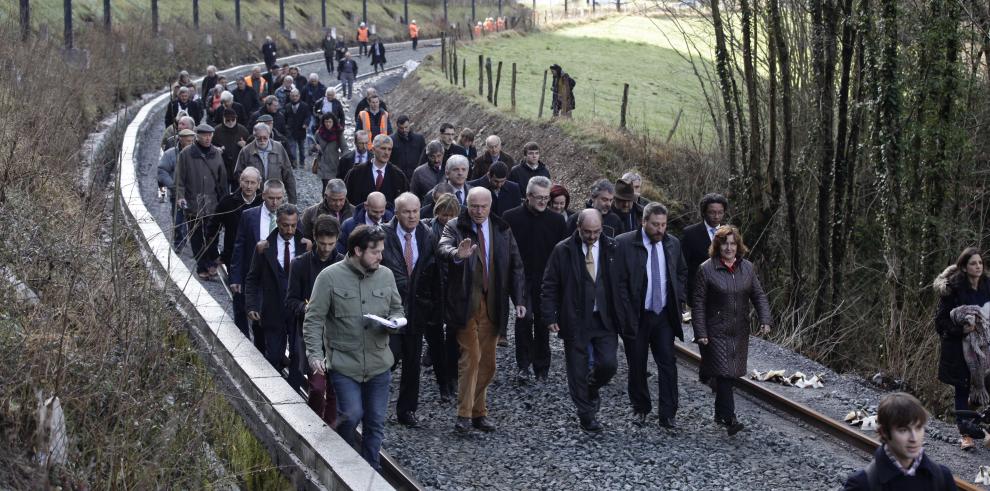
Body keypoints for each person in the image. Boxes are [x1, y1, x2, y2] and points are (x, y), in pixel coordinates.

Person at [303, 225, 404, 470]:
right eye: (375, 252)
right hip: (344, 363)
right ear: (357, 250)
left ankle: (371, 469)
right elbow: (314, 318)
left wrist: (395, 322)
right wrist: (315, 354)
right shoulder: (329, 277)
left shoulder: (386, 276)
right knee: (350, 414)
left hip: (379, 363)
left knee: (376, 421)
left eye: (381, 251)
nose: (381, 257)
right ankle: (345, 464)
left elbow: (397, 309)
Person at [437, 188, 527, 433]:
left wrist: (519, 299)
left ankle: (478, 411)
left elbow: (516, 265)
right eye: (473, 206)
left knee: (488, 363)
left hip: (493, 302)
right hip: (465, 303)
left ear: (490, 206)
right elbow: (443, 248)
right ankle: (464, 415)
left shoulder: (502, 228)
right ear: (467, 205)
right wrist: (457, 253)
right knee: (472, 358)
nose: (477, 211)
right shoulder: (455, 226)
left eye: (482, 206)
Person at [542, 209, 624, 432]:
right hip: (575, 319)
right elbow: (550, 285)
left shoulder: (612, 248)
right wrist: (549, 316)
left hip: (604, 318)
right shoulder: (563, 250)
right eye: (587, 232)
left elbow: (621, 283)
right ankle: (587, 415)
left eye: (596, 231)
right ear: (578, 227)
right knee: (577, 369)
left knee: (609, 364)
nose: (592, 236)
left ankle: (591, 387)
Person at [692, 225, 771, 435]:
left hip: (739, 330)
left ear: (738, 245)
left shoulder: (747, 268)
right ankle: (730, 418)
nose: (729, 248)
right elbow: (698, 303)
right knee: (725, 374)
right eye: (724, 243)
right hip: (714, 330)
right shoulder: (706, 269)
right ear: (717, 246)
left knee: (731, 373)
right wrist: (700, 332)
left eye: (732, 243)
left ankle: (719, 413)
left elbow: (759, 295)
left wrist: (765, 319)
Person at [616, 202, 689, 429]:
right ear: (644, 222)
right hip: (637, 314)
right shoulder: (625, 243)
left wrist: (678, 299)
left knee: (668, 363)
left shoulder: (672, 244)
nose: (660, 229)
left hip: (664, 315)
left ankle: (668, 414)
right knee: (637, 364)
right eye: (655, 225)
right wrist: (625, 311)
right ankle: (641, 408)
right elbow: (617, 281)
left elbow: (681, 272)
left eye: (664, 225)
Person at [503, 176, 567, 382]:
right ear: (528, 196)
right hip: (520, 277)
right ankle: (523, 364)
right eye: (538, 197)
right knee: (524, 319)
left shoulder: (557, 221)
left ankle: (542, 366)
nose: (542, 202)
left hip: (546, 279)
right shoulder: (511, 217)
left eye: (546, 198)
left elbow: (561, 254)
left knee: (542, 321)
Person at [382, 193, 436, 427]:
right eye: (407, 211)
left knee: (413, 363)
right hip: (389, 308)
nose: (412, 215)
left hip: (416, 309)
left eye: (415, 211)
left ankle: (407, 411)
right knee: (387, 359)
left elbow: (434, 269)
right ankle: (375, 404)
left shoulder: (428, 235)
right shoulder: (383, 234)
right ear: (397, 213)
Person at [286, 215, 344, 428]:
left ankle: (329, 429)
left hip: (338, 336)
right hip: (312, 335)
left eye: (331, 243)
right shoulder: (300, 265)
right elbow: (290, 300)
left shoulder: (344, 264)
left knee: (335, 389)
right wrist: (306, 308)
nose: (327, 248)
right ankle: (312, 424)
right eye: (322, 243)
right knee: (318, 387)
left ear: (337, 239)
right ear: (315, 239)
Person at [246, 203, 308, 389]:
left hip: (297, 311)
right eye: (285, 225)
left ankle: (294, 390)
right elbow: (252, 278)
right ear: (278, 224)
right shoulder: (264, 248)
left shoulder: (305, 246)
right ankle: (274, 389)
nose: (289, 230)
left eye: (293, 225)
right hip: (273, 309)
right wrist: (252, 305)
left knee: (298, 354)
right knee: (273, 354)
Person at [934, 247, 990, 450]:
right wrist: (963, 329)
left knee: (982, 386)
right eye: (973, 263)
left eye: (980, 263)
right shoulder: (953, 289)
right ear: (964, 267)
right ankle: (965, 435)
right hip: (959, 349)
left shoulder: (987, 286)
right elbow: (940, 323)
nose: (978, 266)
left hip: (984, 348)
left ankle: (973, 423)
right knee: (962, 387)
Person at [842, 393, 956, 490]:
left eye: (918, 427)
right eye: (903, 430)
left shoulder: (942, 478)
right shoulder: (862, 485)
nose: (914, 438)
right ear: (884, 432)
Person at [231, 180, 286, 350]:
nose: (274, 202)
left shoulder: (290, 217)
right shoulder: (249, 216)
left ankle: (275, 355)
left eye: (278, 198)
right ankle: (260, 352)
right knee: (258, 317)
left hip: (281, 277)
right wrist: (235, 277)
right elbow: (239, 247)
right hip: (257, 275)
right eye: (271, 198)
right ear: (263, 196)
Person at [421, 193, 461, 401]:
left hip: (454, 288)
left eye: (450, 214)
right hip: (433, 289)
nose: (446, 218)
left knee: (454, 337)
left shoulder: (460, 229)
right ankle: (443, 382)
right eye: (443, 214)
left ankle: (452, 376)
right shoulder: (427, 229)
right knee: (435, 337)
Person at [175, 124, 227, 280]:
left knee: (213, 234)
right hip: (193, 203)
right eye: (204, 135)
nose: (207, 138)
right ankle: (201, 266)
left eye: (210, 135)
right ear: (197, 136)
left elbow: (222, 180)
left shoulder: (216, 154)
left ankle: (211, 262)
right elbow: (179, 179)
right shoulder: (185, 154)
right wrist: (180, 197)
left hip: (212, 203)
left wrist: (224, 201)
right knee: (196, 236)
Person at [211, 167, 263, 271]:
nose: (249, 186)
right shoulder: (228, 202)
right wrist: (213, 253)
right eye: (246, 182)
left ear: (258, 184)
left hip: (258, 256)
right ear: (240, 182)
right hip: (233, 256)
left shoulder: (264, 203)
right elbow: (213, 227)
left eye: (253, 183)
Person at [681, 193, 728, 306]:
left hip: (725, 293)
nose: (716, 216)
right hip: (699, 294)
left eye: (720, 212)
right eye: (712, 212)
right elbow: (683, 266)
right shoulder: (690, 234)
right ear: (704, 212)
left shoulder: (730, 233)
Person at [234, 123, 297, 203]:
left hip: (275, 197)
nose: (262, 141)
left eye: (265, 138)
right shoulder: (246, 151)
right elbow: (238, 174)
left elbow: (288, 174)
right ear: (254, 136)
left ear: (269, 135)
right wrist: (247, 192)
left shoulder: (279, 148)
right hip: (254, 198)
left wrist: (292, 201)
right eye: (259, 138)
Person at [158, 127, 195, 250]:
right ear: (180, 140)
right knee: (178, 220)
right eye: (187, 141)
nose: (190, 143)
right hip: (177, 194)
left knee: (195, 220)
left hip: (195, 193)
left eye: (191, 141)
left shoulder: (198, 153)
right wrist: (173, 185)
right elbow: (162, 170)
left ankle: (196, 242)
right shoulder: (170, 154)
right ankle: (179, 241)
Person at [344, 134, 408, 205]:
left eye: (389, 149)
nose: (386, 153)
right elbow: (346, 201)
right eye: (383, 148)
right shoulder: (356, 173)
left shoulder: (398, 176)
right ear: (373, 149)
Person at [213, 109, 250, 193]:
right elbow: (210, 147)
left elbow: (250, 149)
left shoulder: (243, 131)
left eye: (233, 119)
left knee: (237, 192)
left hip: (238, 166)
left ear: (236, 119)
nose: (230, 122)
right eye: (228, 120)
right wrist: (216, 149)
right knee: (222, 192)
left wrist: (245, 145)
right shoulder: (216, 131)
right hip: (222, 166)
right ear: (223, 119)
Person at [313, 113, 345, 191]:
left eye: (330, 122)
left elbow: (344, 147)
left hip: (333, 162)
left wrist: (345, 160)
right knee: (325, 185)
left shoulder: (338, 133)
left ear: (333, 122)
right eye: (326, 122)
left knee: (332, 185)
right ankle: (325, 202)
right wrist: (315, 147)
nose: (328, 124)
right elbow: (313, 144)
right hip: (322, 162)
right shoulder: (319, 133)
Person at [282, 89, 311, 169]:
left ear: (299, 96)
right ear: (290, 96)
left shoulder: (304, 106)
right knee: (292, 148)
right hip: (291, 130)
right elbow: (285, 117)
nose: (294, 98)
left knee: (301, 148)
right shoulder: (287, 106)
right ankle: (294, 163)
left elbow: (308, 116)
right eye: (292, 96)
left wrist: (306, 123)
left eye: (296, 96)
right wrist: (285, 126)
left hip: (301, 130)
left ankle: (302, 162)